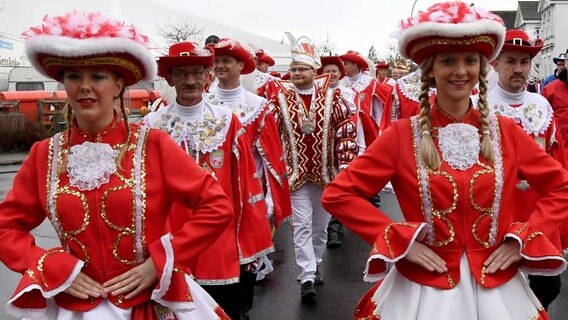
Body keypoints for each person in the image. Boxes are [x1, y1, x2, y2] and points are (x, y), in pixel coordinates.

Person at [322, 2, 568, 319]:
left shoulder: (506, 132)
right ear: (430, 69)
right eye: (448, 61)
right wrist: (401, 241)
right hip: (423, 288)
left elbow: (560, 187)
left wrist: (521, 239)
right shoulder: (401, 135)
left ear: (482, 67)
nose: (460, 71)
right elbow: (338, 194)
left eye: (470, 61)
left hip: (498, 287)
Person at [0, 12, 234, 320]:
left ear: (119, 84)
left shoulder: (154, 145)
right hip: (76, 306)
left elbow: (216, 207)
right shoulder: (44, 154)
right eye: (73, 77)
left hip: (147, 303)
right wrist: (54, 267)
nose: (84, 87)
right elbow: (6, 227)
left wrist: (159, 262)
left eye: (98, 77)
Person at [142, 41, 274, 320]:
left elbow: (245, 184)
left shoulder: (228, 121)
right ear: (170, 78)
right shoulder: (152, 125)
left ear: (207, 75)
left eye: (196, 72)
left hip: (219, 238)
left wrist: (250, 242)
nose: (190, 81)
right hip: (170, 237)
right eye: (181, 73)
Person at [269, 32, 359, 303]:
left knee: (320, 226)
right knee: (301, 226)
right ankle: (306, 275)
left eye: (301, 69)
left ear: (314, 70)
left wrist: (345, 165)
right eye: (293, 69)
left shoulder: (336, 100)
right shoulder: (278, 100)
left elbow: (347, 133)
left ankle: (316, 262)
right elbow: (271, 138)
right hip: (295, 175)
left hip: (326, 175)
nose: (296, 73)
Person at [489, 29, 567, 310]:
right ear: (495, 63)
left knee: (548, 284)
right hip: (498, 213)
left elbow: (557, 161)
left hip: (539, 214)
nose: (518, 69)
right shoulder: (479, 107)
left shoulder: (542, 105)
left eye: (524, 62)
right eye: (510, 61)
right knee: (499, 286)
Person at [207, 38, 291, 288]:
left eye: (226, 61)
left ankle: (241, 304)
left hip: (248, 189)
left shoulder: (257, 105)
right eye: (217, 61)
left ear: (241, 66)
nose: (220, 66)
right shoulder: (203, 102)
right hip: (211, 188)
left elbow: (270, 155)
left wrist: (270, 199)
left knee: (246, 253)